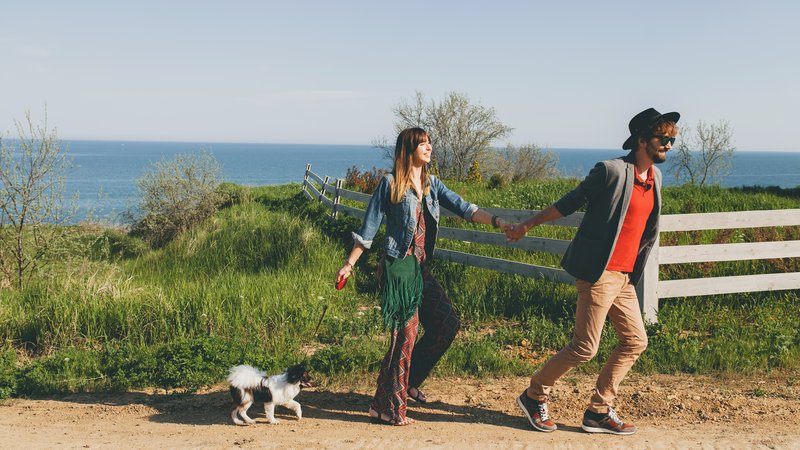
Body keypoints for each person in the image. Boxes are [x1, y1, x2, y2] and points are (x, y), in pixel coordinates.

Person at [505, 108, 679, 435]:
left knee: (635, 341)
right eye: (663, 139)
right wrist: (527, 224)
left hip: (625, 277)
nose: (668, 145)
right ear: (642, 140)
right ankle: (534, 395)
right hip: (599, 273)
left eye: (672, 140)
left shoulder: (655, 178)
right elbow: (570, 202)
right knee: (585, 347)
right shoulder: (611, 171)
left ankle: (599, 411)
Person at [336, 127, 510, 426]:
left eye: (430, 143)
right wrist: (349, 264)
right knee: (404, 337)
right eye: (423, 144)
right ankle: (389, 407)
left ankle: (404, 385)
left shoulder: (432, 184)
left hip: (420, 269)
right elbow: (369, 229)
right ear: (408, 149)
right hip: (398, 267)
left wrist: (498, 221)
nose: (429, 147)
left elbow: (466, 209)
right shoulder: (390, 183)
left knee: (447, 323)